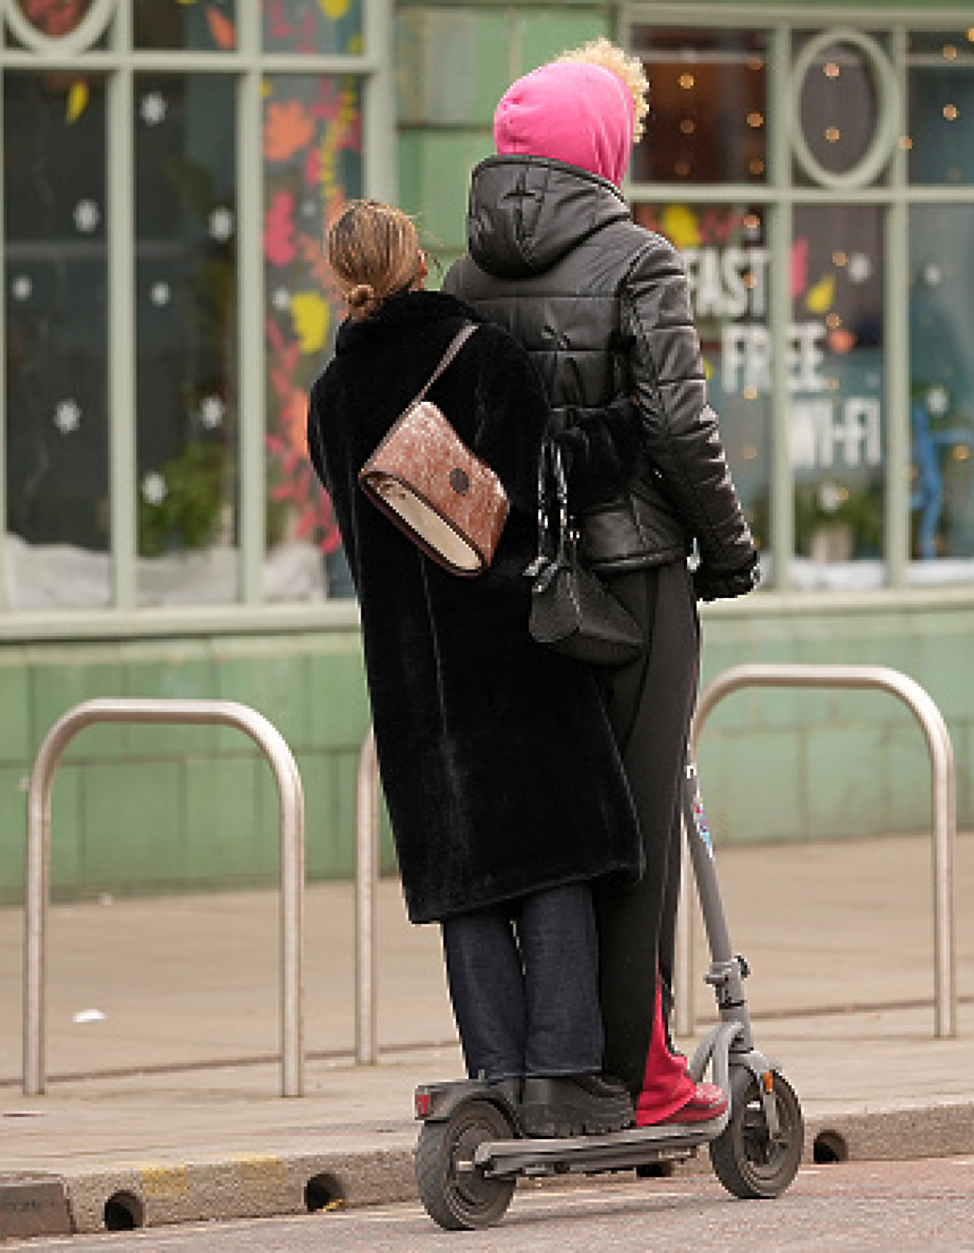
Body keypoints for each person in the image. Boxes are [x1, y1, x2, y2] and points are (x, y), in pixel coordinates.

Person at [443, 40, 761, 1128]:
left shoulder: (467, 276)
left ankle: (550, 1055)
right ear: (602, 147)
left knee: (557, 826)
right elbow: (679, 423)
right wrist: (726, 548)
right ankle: (643, 1073)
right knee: (636, 827)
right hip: (630, 579)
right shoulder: (639, 259)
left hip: (517, 586)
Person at [308, 199, 648, 1138]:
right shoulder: (481, 354)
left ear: (342, 282)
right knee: (554, 857)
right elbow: (548, 482)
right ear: (421, 262)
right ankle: (567, 1076)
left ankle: (495, 1076)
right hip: (511, 649)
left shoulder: (330, 399)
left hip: (412, 677)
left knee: (468, 876)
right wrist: (630, 423)